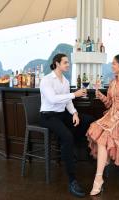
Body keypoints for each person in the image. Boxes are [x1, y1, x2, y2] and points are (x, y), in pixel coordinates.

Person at [40, 53, 94, 198]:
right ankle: (72, 180)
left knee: (88, 120)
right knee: (67, 137)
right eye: (65, 62)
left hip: (62, 114)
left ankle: (70, 151)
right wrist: (74, 95)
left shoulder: (64, 80)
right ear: (57, 63)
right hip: (48, 116)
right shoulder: (46, 80)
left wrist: (75, 113)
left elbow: (67, 102)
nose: (68, 64)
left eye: (68, 62)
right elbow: (52, 99)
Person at [86, 54, 119, 196]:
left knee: (104, 136)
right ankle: (101, 173)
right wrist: (99, 94)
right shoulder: (112, 82)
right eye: (112, 64)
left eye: (114, 64)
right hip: (111, 115)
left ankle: (98, 179)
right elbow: (109, 103)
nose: (112, 66)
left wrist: (115, 117)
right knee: (98, 132)